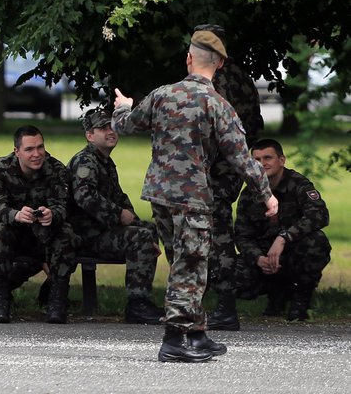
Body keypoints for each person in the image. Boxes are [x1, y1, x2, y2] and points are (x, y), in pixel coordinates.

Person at [112, 30, 278, 363]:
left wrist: (123, 107)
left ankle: (197, 334)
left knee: (187, 262)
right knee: (191, 266)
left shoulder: (162, 95)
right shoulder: (219, 105)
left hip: (159, 195)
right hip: (193, 198)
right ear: (219, 65)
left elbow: (126, 126)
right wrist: (266, 194)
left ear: (189, 59)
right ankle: (174, 340)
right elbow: (241, 158)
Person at [194, 24, 265, 331]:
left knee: (216, 235)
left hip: (213, 169)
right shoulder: (243, 78)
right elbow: (256, 124)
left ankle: (224, 305)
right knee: (215, 232)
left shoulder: (213, 81)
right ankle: (218, 303)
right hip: (232, 166)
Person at [68, 108, 163, 324]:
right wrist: (118, 215)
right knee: (139, 238)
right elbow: (86, 198)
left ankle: (143, 300)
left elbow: (120, 198)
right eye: (103, 128)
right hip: (86, 236)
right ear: (89, 135)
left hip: (102, 232)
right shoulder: (86, 161)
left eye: (112, 126)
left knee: (148, 230)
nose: (110, 132)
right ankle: (136, 304)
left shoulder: (104, 161)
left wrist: (141, 226)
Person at [0, 125, 77, 324]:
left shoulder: (56, 169)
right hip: (13, 233)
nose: (37, 154)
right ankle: (0, 301)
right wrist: (15, 214)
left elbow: (63, 205)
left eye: (40, 147)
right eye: (29, 149)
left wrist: (52, 214)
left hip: (43, 233)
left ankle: (57, 301)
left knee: (66, 232)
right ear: (17, 151)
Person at [234, 139, 331, 321]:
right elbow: (242, 235)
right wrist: (258, 258)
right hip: (264, 255)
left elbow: (319, 215)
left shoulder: (298, 184)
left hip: (292, 251)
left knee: (317, 242)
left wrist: (283, 238)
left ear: (282, 160)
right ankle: (276, 294)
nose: (262, 164)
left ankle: (300, 298)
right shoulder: (249, 193)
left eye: (268, 157)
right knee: (230, 274)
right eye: (257, 160)